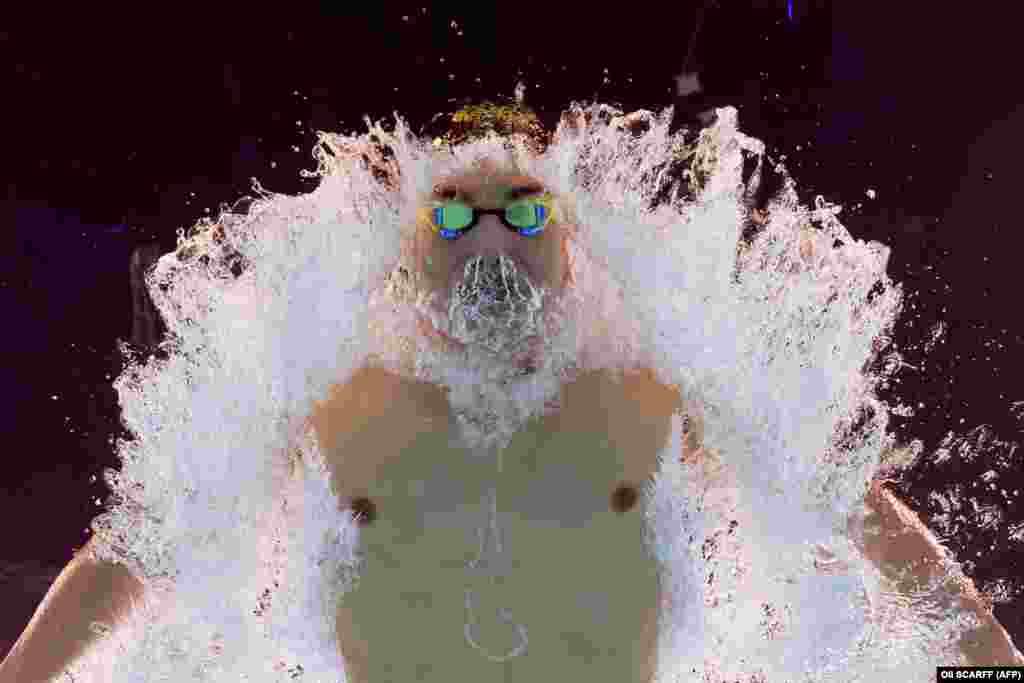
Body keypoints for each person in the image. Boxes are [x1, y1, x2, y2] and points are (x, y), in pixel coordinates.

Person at [2, 101, 1020, 683]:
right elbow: (140, 553)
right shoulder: (327, 399)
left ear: (573, 239)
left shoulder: (653, 391)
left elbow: (850, 508)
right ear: (401, 243)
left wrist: (989, 669)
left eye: (522, 212)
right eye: (454, 216)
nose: (491, 238)